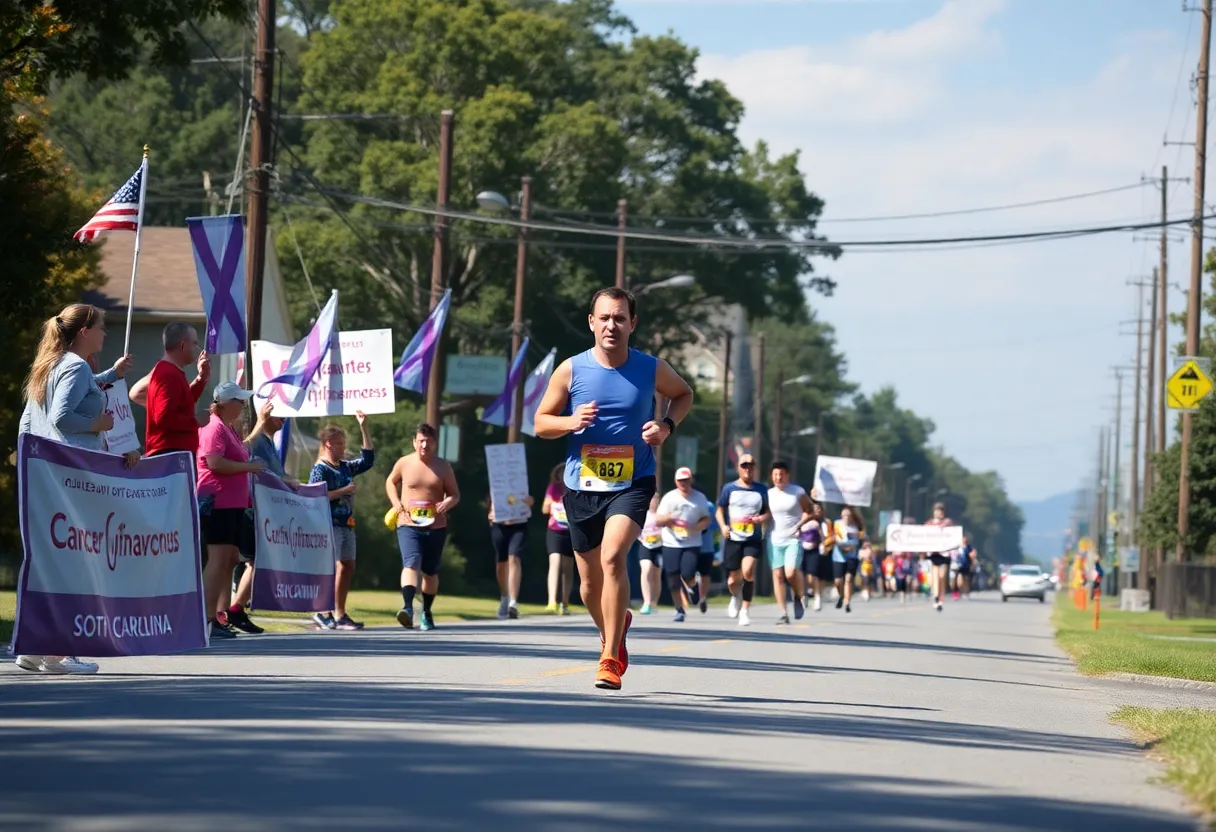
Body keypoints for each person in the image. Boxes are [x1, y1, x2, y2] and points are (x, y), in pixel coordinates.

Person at [533, 286, 693, 690]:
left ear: (632, 324)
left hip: (632, 481)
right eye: (604, 317)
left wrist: (666, 426)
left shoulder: (651, 367)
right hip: (582, 483)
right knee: (588, 584)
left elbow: (683, 394)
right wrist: (571, 422)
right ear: (591, 322)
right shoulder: (571, 370)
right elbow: (540, 422)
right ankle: (616, 620)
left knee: (612, 558)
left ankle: (609, 656)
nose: (611, 325)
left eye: (620, 318)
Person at [16, 304, 134, 675]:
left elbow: (34, 421)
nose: (104, 334)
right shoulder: (74, 366)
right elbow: (63, 417)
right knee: (75, 562)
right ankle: (58, 654)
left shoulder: (51, 365)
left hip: (48, 477)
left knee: (51, 562)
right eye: (101, 328)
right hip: (72, 478)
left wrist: (111, 375)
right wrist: (97, 423)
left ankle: (36, 646)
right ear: (84, 331)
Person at [223, 401, 300, 634]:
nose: (283, 419)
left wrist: (292, 482)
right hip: (248, 509)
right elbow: (246, 452)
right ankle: (231, 610)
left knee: (237, 561)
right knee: (247, 561)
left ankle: (228, 611)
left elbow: (275, 473)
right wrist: (261, 421)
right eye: (279, 415)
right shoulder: (255, 440)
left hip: (259, 510)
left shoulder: (268, 443)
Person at [197, 382, 265, 639]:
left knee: (230, 559)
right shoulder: (214, 428)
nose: (243, 406)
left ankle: (217, 615)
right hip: (217, 500)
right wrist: (249, 468)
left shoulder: (227, 428)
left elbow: (239, 453)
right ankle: (206, 619)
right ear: (226, 403)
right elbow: (214, 463)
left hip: (232, 503)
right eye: (240, 401)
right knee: (217, 561)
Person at [386, 423, 459, 631]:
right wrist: (396, 503)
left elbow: (455, 494)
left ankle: (426, 611)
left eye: (428, 441)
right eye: (420, 441)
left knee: (430, 571)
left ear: (434, 443)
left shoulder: (443, 467)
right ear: (414, 442)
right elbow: (391, 482)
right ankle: (407, 608)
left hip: (435, 525)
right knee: (411, 562)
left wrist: (447, 502)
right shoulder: (404, 463)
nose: (424, 445)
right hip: (407, 523)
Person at [309, 413, 375, 630]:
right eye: (337, 443)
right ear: (327, 444)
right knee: (329, 567)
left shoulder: (344, 466)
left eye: (343, 443)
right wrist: (342, 491)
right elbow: (314, 496)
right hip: (328, 524)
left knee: (348, 565)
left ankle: (340, 613)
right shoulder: (320, 469)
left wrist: (364, 427)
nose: (341, 447)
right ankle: (322, 611)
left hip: (346, 522)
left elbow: (367, 461)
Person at [716, 453, 770, 627]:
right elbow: (719, 510)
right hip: (733, 537)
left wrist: (762, 519)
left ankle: (745, 611)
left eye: (751, 465)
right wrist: (724, 526)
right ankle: (735, 596)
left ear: (755, 469)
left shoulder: (761, 489)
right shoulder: (729, 489)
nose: (748, 469)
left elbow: (768, 511)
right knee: (732, 579)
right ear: (739, 468)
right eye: (744, 465)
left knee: (748, 572)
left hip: (752, 538)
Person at [140, 323, 211, 456]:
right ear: (182, 345)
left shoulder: (170, 372)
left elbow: (183, 402)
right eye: (194, 343)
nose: (197, 349)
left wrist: (201, 379)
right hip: (170, 456)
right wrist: (196, 421)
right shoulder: (169, 375)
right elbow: (163, 418)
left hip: (172, 455)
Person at [656, 467, 711, 623]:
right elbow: (658, 520)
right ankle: (679, 609)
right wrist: (669, 519)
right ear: (676, 482)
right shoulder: (669, 498)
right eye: (680, 481)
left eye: (686, 480)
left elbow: (706, 519)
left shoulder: (699, 498)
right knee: (672, 578)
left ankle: (693, 586)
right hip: (671, 542)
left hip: (692, 542)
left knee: (687, 573)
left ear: (691, 480)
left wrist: (695, 528)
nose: (683, 484)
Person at [766, 461, 812, 624]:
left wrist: (799, 525)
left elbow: (810, 511)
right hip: (774, 539)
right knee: (778, 576)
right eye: (776, 474)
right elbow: (765, 515)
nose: (779, 478)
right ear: (772, 476)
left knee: (790, 572)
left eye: (782, 474)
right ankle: (783, 613)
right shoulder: (768, 494)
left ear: (788, 475)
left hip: (793, 538)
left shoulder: (797, 492)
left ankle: (799, 595)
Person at [489, 492, 534, 620]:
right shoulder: (496, 479)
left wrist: (530, 502)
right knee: (501, 563)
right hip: (500, 524)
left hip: (519, 524)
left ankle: (513, 602)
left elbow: (529, 498)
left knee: (514, 557)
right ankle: (504, 597)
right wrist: (491, 511)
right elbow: (494, 497)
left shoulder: (520, 476)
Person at [542, 463, 575, 614]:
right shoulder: (553, 488)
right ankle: (552, 601)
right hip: (554, 530)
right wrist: (552, 504)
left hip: (571, 531)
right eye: (560, 473)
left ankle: (565, 602)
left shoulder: (575, 488)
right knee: (554, 563)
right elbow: (544, 509)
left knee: (567, 567)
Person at [831, 505, 865, 613]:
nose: (846, 517)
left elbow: (860, 540)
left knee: (849, 579)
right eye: (844, 515)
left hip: (852, 556)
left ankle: (847, 602)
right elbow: (833, 537)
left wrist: (854, 547)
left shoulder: (856, 526)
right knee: (838, 581)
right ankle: (841, 595)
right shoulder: (837, 524)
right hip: (838, 556)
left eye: (848, 515)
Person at [800, 501, 832, 612]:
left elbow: (826, 536)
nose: (817, 511)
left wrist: (824, 544)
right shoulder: (803, 521)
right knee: (805, 575)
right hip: (803, 550)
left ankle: (817, 596)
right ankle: (806, 594)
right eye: (815, 509)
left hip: (818, 551)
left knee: (815, 574)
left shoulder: (824, 523)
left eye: (819, 509)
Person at [925, 502, 954, 612]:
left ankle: (941, 598)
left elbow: (952, 533)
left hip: (944, 554)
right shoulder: (929, 524)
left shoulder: (947, 523)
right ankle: (936, 597)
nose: (939, 513)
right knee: (935, 576)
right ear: (934, 512)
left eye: (941, 511)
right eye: (937, 511)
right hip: (933, 554)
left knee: (942, 577)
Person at [638, 494, 663, 614]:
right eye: (652, 499)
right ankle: (646, 602)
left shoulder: (662, 514)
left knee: (656, 574)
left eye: (656, 499)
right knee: (646, 569)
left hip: (659, 546)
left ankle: (654, 602)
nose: (654, 502)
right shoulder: (643, 514)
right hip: (645, 545)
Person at [696, 487, 718, 613]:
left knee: (705, 574)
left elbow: (714, 526)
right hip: (691, 545)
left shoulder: (709, 506)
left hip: (706, 545)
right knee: (692, 573)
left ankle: (702, 597)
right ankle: (698, 595)